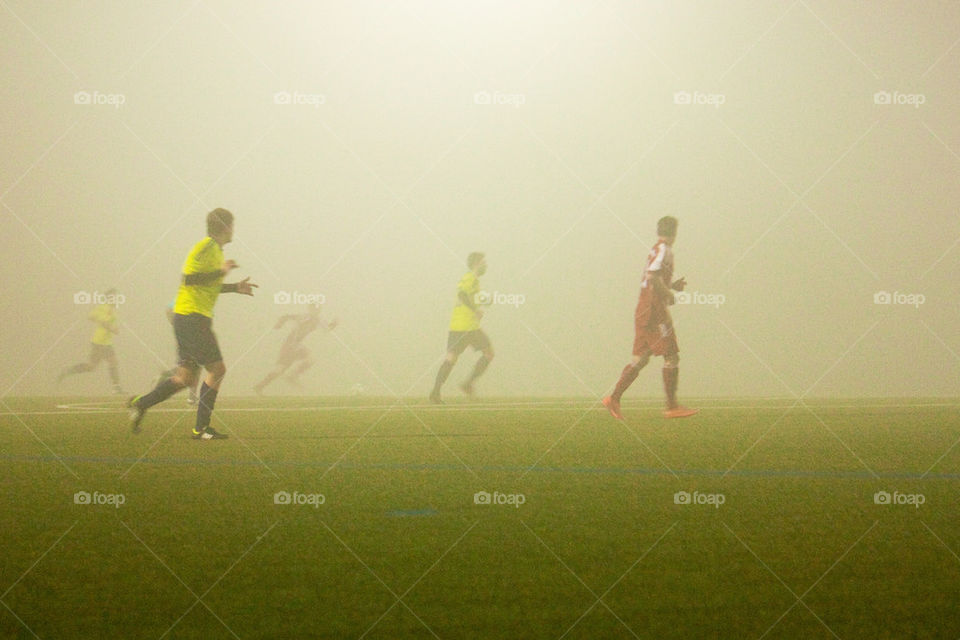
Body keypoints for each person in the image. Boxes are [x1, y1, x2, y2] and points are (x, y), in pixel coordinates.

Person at [127, 208, 257, 439]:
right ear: (225, 227)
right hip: (192, 318)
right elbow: (190, 279)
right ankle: (202, 428)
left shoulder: (215, 251)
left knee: (184, 378)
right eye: (232, 226)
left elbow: (207, 284)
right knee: (217, 370)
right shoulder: (206, 247)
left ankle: (141, 403)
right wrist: (221, 271)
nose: (233, 230)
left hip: (189, 319)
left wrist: (235, 287)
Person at [602, 216, 697, 419]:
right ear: (675, 232)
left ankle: (614, 398)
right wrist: (668, 294)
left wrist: (671, 286)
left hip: (643, 310)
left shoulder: (655, 249)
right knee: (671, 355)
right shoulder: (664, 249)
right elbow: (653, 278)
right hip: (654, 312)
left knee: (640, 359)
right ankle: (672, 406)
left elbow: (651, 279)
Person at [429, 252, 493, 403]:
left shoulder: (472, 280)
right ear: (476, 263)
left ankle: (435, 392)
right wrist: (475, 310)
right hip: (468, 326)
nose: (485, 265)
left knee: (451, 358)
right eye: (483, 262)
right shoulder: (470, 277)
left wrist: (484, 300)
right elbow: (462, 295)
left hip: (457, 326)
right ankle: (467, 385)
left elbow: (467, 295)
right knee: (489, 353)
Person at [253, 307, 337, 394]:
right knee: (307, 360)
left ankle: (260, 386)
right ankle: (291, 376)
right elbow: (286, 316)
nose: (316, 312)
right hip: (291, 344)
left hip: (294, 345)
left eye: (317, 310)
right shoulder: (305, 317)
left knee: (282, 369)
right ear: (310, 309)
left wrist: (334, 324)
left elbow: (327, 328)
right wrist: (279, 324)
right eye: (313, 309)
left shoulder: (317, 320)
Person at [58, 289, 122, 394]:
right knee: (112, 362)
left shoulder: (110, 308)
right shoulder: (104, 308)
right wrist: (111, 328)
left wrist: (112, 327)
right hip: (100, 342)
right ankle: (116, 387)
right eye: (114, 297)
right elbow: (95, 318)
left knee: (92, 366)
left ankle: (68, 370)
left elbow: (92, 317)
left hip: (104, 342)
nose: (116, 299)